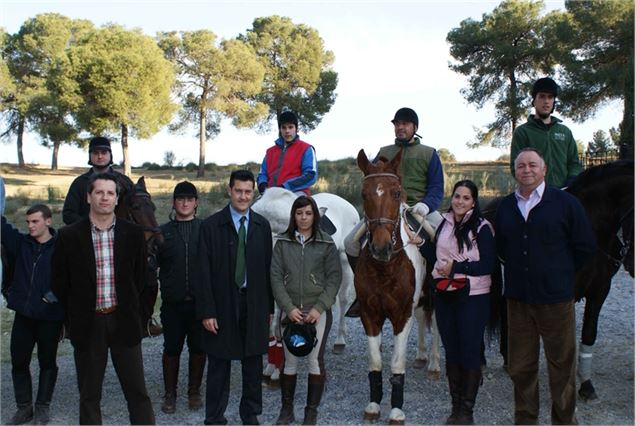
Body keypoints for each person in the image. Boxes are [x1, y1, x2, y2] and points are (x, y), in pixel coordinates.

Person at [495, 148, 596, 425]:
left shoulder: (566, 204)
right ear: (514, 172)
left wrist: (560, 274)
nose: (526, 170)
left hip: (555, 300)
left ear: (544, 170)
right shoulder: (506, 207)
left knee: (562, 367)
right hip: (518, 301)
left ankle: (564, 421)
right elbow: (502, 248)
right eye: (520, 166)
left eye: (532, 165)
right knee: (521, 367)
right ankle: (526, 420)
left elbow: (585, 247)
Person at [51, 173, 155, 425]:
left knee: (137, 393)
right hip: (88, 324)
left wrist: (137, 315)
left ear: (117, 199)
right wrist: (73, 318)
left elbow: (141, 279)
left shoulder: (133, 234)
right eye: (99, 192)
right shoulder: (69, 236)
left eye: (110, 193)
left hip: (124, 321)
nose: (105, 197)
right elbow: (59, 282)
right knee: (89, 395)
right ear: (89, 197)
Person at [344, 107, 444, 316]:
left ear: (414, 127)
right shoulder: (384, 152)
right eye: (397, 124)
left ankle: (435, 291)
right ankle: (361, 294)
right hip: (386, 209)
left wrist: (427, 204)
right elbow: (372, 180)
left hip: (419, 208)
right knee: (350, 243)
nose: (400, 127)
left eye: (405, 124)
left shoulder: (429, 153)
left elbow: (437, 187)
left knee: (440, 240)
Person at [196, 169, 273, 425]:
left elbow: (267, 269)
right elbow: (202, 273)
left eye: (248, 192)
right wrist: (207, 311)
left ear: (253, 193)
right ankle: (215, 417)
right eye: (238, 191)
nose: (243, 196)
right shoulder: (210, 226)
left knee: (252, 364)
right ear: (229, 190)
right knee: (219, 365)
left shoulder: (262, 226)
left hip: (254, 304)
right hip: (222, 304)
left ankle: (250, 415)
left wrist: (268, 307)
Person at [422, 180, 495, 425]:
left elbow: (488, 264)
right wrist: (421, 244)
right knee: (451, 351)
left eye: (466, 198)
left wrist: (458, 267)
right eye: (457, 196)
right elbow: (437, 257)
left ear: (474, 202)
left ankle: (467, 411)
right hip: (445, 294)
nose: (460, 201)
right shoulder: (444, 223)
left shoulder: (482, 228)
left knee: (470, 351)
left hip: (472, 297)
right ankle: (455, 407)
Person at [270, 196, 342, 425]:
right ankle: (287, 410)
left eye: (308, 213)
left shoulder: (326, 243)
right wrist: (288, 308)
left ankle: (311, 412)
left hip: (316, 312)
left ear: (315, 216)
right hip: (290, 311)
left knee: (314, 361)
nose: (303, 218)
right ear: (294, 216)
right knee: (289, 362)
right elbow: (275, 277)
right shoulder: (282, 242)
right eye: (299, 213)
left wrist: (319, 308)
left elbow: (334, 278)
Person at [2, 205, 64, 425]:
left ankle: (42, 408)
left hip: (50, 317)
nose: (30, 226)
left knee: (47, 362)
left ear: (48, 221)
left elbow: (71, 278)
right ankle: (24, 408)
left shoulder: (61, 248)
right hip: (24, 315)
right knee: (19, 361)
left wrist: (52, 297)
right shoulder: (22, 244)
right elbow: (2, 227)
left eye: (35, 221)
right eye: (28, 222)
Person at [156, 181, 206, 414]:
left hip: (199, 303)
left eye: (189, 199)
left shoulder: (205, 230)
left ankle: (194, 391)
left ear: (196, 203)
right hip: (172, 303)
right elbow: (151, 265)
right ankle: (170, 394)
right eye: (180, 199)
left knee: (198, 348)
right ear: (174, 202)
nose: (185, 203)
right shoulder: (162, 232)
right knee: (172, 348)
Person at [510, 77, 582, 188]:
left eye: (550, 97)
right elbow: (516, 167)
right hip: (534, 195)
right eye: (542, 96)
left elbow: (574, 163)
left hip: (564, 192)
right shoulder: (522, 132)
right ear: (534, 100)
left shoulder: (565, 132)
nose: (546, 101)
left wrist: (572, 180)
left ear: (554, 101)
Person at [62, 136, 129, 225]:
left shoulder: (124, 181)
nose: (100, 156)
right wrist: (91, 226)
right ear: (90, 156)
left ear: (110, 155)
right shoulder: (79, 183)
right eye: (95, 153)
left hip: (120, 234)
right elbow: (68, 214)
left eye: (104, 152)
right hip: (86, 235)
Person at [257, 110, 318, 196]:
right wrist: (262, 185)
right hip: (270, 193)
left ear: (296, 128)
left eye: (290, 127)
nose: (287, 131)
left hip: (296, 192)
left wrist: (285, 187)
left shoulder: (306, 149)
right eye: (284, 127)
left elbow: (310, 175)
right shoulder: (270, 152)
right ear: (280, 129)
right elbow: (262, 173)